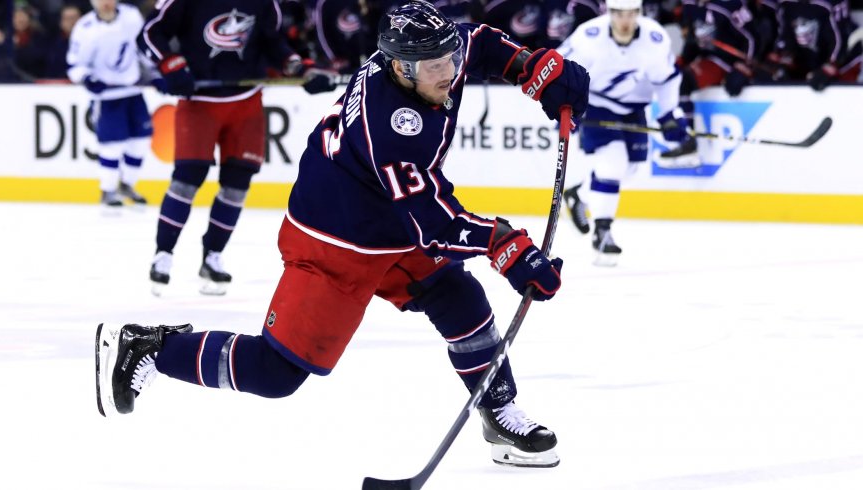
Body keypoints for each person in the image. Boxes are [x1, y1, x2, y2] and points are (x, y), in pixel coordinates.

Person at [96, 0, 589, 469]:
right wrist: (505, 245)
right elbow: (435, 222)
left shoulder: (428, 54)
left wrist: (533, 67)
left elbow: (477, 41)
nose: (447, 71)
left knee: (459, 295)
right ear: (399, 69)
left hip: (392, 222)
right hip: (335, 239)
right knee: (275, 373)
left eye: (447, 58)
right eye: (433, 65)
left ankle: (498, 411)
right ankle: (151, 348)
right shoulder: (392, 126)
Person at [137, 0, 337, 296]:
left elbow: (274, 43)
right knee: (187, 179)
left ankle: (213, 257)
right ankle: (163, 253)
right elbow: (150, 33)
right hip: (200, 101)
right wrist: (171, 64)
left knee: (236, 185)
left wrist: (301, 69)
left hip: (246, 103)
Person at [557, 0, 695, 266]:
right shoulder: (589, 36)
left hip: (634, 108)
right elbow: (559, 67)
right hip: (595, 104)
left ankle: (579, 196)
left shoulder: (654, 40)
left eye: (631, 14)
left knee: (631, 170)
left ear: (638, 14)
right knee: (613, 163)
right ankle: (603, 232)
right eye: (619, 14)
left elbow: (667, 80)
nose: (625, 21)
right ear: (610, 13)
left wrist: (668, 114)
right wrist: (562, 104)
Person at [66, 0, 153, 210]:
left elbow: (143, 47)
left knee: (141, 140)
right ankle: (107, 190)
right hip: (107, 97)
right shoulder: (85, 27)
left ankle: (127, 185)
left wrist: (154, 72)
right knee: (112, 145)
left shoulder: (131, 16)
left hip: (133, 90)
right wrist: (87, 79)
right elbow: (74, 64)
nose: (105, 2)